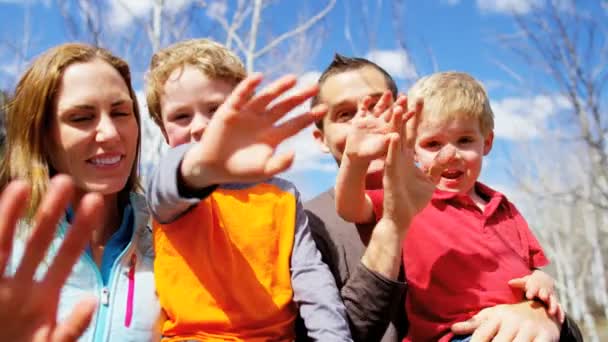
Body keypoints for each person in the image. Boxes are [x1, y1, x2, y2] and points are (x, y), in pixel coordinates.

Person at [305, 54, 583, 342]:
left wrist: (538, 310)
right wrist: (355, 160)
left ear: (404, 119)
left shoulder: (496, 203)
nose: (367, 122)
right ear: (320, 138)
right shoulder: (309, 226)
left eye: (380, 107)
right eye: (345, 115)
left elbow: (531, 272)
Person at [144, 39, 352, 341]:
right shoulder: (175, 190)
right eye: (180, 116)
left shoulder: (281, 195)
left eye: (215, 109)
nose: (200, 127)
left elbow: (310, 276)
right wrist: (199, 168)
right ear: (163, 130)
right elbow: (167, 184)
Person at [0, 43, 161, 341]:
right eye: (81, 118)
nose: (110, 133)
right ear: (41, 136)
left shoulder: (173, 236)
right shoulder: (8, 244)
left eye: (121, 112)